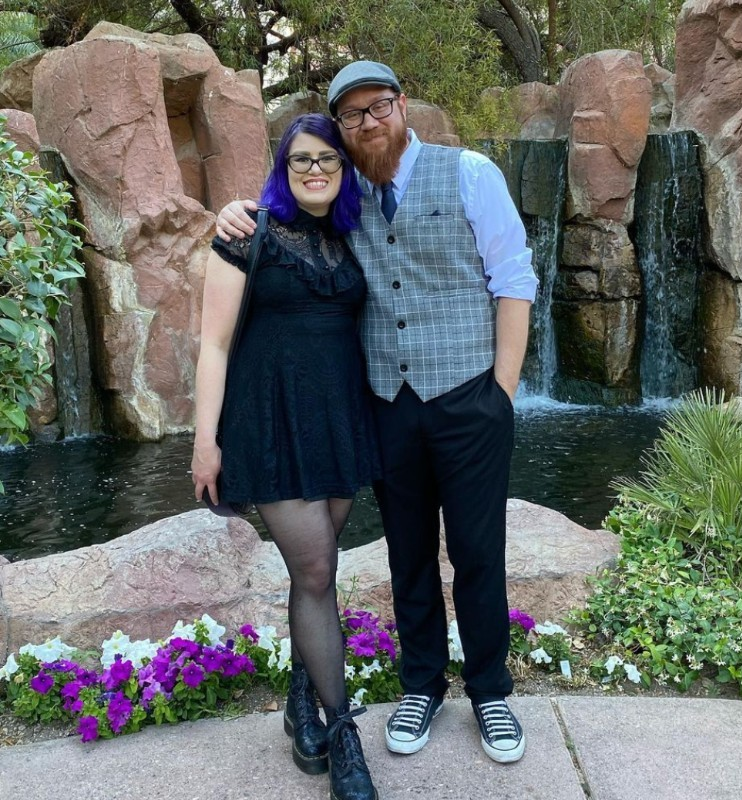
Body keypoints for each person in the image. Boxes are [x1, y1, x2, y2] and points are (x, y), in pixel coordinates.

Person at [215, 62, 538, 765]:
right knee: (407, 553)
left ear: (402, 105)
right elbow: (282, 206)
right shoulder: (339, 191)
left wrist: (502, 393)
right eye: (353, 114)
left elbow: (514, 278)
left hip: (469, 398)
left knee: (478, 553)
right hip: (387, 404)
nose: (369, 122)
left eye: (379, 106)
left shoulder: (470, 173)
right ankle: (421, 685)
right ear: (342, 126)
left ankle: (490, 692)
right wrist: (233, 211)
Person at [192, 113, 380, 800]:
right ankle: (343, 733)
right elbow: (213, 346)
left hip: (338, 422)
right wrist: (204, 441)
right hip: (269, 424)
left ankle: (302, 701)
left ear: (343, 168)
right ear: (284, 167)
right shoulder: (247, 233)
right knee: (317, 568)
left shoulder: (354, 234)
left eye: (327, 158)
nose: (315, 169)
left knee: (314, 578)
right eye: (301, 159)